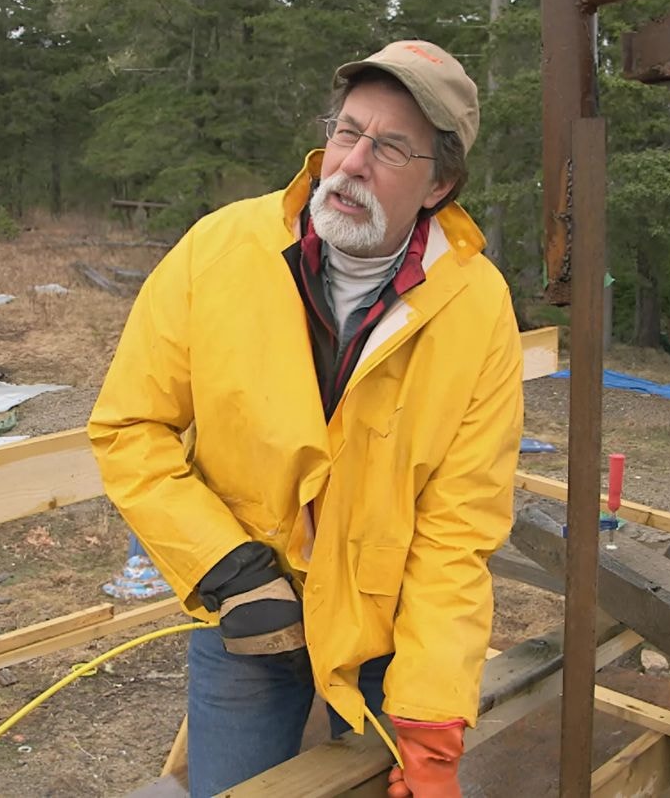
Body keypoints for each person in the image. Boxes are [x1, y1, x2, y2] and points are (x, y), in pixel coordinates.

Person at [87, 39, 524, 798]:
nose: (351, 163)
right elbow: (130, 428)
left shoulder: (477, 307)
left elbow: (460, 525)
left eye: (390, 147)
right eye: (348, 131)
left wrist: (428, 724)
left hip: (388, 625)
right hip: (245, 618)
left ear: (439, 183)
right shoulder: (218, 251)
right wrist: (227, 568)